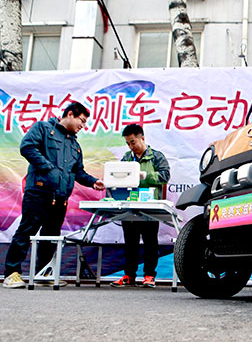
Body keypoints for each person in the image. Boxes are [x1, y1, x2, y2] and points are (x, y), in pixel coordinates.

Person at [3, 102, 105, 289]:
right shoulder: (43, 128)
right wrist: (49, 168)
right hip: (39, 191)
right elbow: (27, 147)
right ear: (70, 114)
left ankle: (42, 273)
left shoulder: (75, 145)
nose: (83, 126)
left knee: (51, 235)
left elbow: (78, 172)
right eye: (81, 121)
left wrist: (92, 181)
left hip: (60, 197)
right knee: (27, 230)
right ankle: (11, 273)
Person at [111, 124, 170, 288]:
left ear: (142, 138)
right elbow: (119, 177)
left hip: (150, 206)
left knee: (151, 241)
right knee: (130, 242)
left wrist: (145, 175)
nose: (131, 146)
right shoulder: (127, 158)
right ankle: (129, 275)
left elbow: (165, 176)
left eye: (133, 142)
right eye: (128, 143)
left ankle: (149, 275)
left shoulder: (156, 157)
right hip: (130, 205)